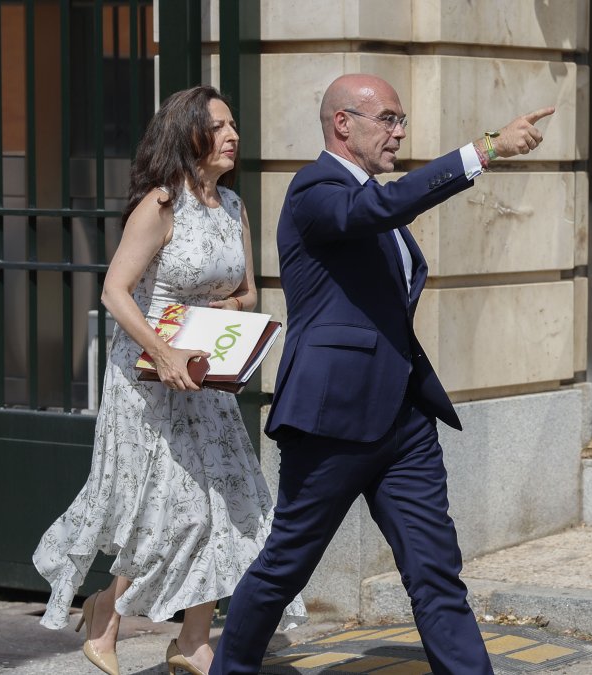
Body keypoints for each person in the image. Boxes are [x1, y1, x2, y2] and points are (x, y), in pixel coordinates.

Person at [210, 73, 553, 675]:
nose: (399, 132)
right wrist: (485, 149)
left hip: (403, 421)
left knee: (435, 571)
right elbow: (383, 207)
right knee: (285, 565)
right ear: (344, 123)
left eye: (400, 121)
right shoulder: (314, 188)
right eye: (387, 119)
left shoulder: (371, 197)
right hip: (331, 419)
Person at [33, 85, 305, 675]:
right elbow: (114, 291)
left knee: (226, 506)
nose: (234, 135)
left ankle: (192, 640)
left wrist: (226, 323)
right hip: (149, 380)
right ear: (190, 136)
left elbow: (247, 291)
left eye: (235, 125)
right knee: (171, 511)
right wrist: (166, 349)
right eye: (221, 126)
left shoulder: (232, 207)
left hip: (207, 379)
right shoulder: (160, 205)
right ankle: (107, 609)